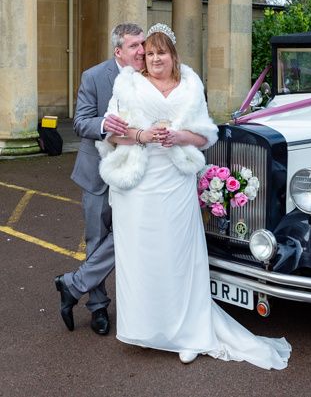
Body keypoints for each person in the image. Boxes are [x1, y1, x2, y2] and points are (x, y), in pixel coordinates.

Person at [95, 23, 291, 370]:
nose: (155, 58)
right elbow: (112, 137)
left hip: (175, 181)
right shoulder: (128, 85)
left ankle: (187, 333)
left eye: (161, 52)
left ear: (173, 56)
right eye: (150, 53)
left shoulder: (189, 86)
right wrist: (142, 135)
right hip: (138, 185)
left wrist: (178, 136)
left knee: (179, 257)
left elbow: (206, 136)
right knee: (141, 259)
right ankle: (145, 328)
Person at [54, 23, 145, 335]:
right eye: (134, 46)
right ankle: (98, 309)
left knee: (127, 234)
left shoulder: (149, 75)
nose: (142, 51)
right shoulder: (93, 76)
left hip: (135, 174)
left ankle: (72, 284)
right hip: (95, 173)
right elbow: (80, 122)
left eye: (142, 45)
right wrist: (104, 124)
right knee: (96, 238)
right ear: (118, 50)